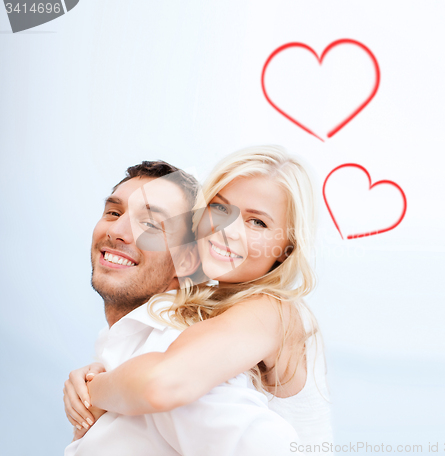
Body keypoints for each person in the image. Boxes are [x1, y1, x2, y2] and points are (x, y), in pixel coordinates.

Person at [65, 146, 333, 448]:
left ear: (286, 249)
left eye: (257, 222)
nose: (228, 230)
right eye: (220, 209)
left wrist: (94, 391)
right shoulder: (208, 304)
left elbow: (162, 382)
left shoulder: (272, 309)